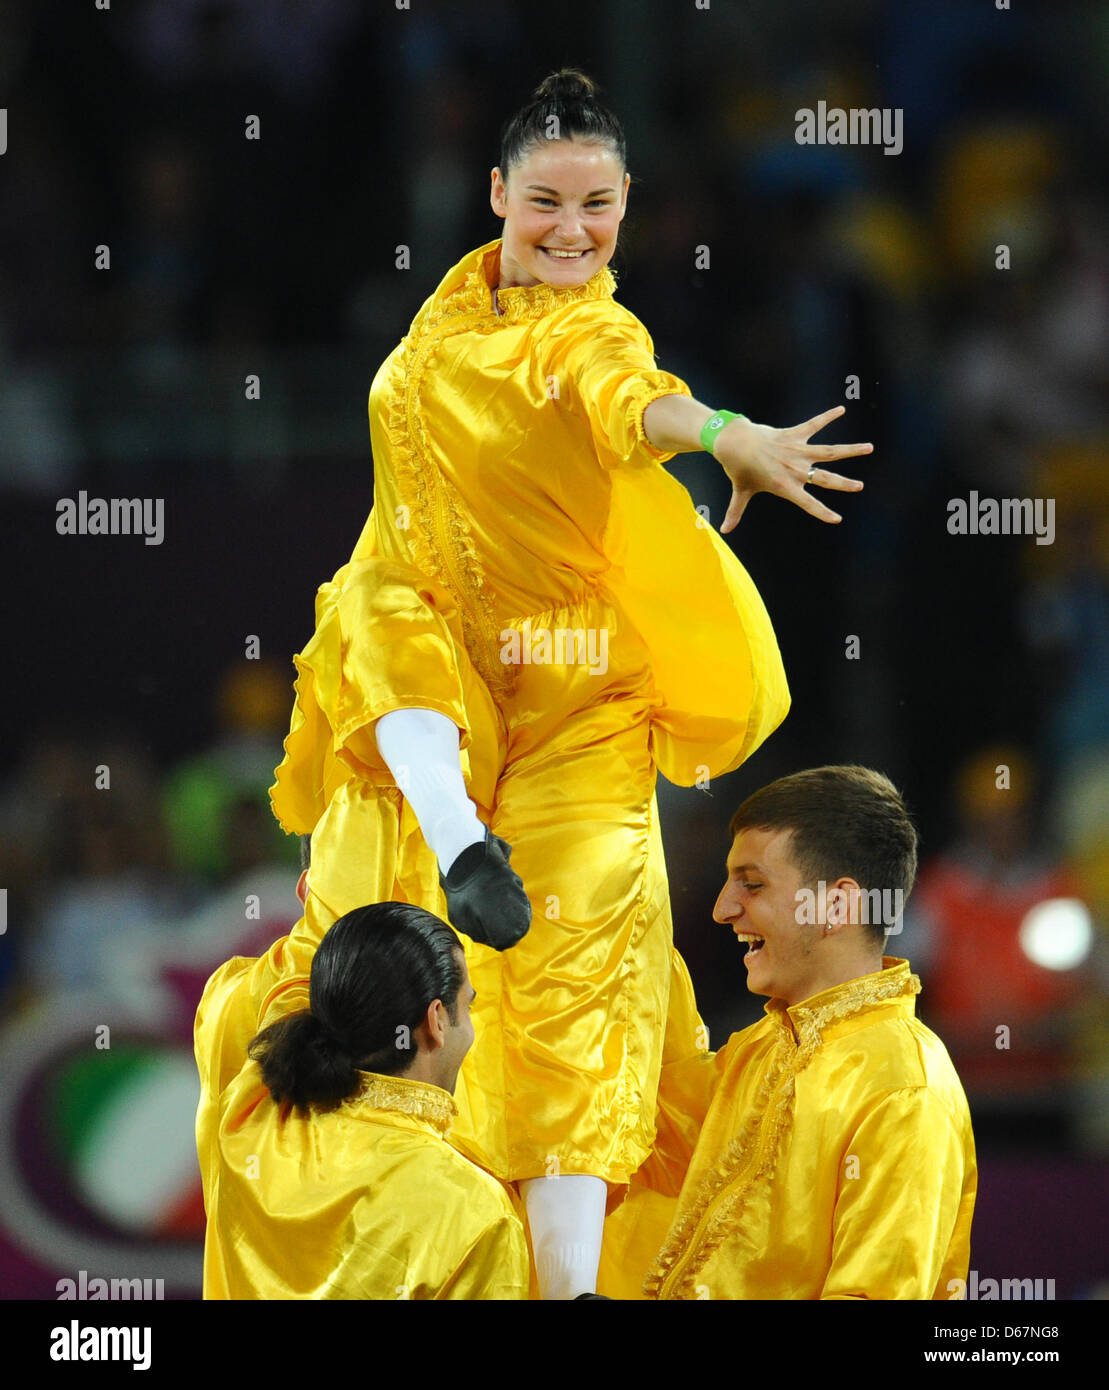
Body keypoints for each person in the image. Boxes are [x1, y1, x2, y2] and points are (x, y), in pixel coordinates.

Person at [266, 68, 872, 1300]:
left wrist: (720, 435)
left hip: (575, 696)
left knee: (571, 963)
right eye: (545, 201)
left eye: (598, 206)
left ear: (625, 206)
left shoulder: (594, 329)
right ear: (495, 194)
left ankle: (571, 1290)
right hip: (435, 685)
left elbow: (629, 400)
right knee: (372, 602)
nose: (571, 231)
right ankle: (456, 846)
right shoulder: (438, 322)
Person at [602, 766, 977, 1300]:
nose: (722, 909)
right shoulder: (762, 1048)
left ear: (836, 904)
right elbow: (659, 1136)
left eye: (751, 884)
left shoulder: (905, 1088)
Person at [194, 896, 530, 1299]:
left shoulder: (249, 1117)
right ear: (437, 1019)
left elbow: (292, 976)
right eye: (468, 1007)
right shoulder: (475, 1212)